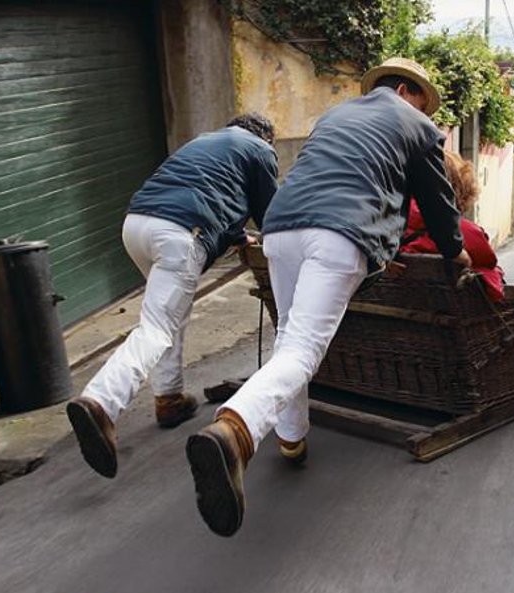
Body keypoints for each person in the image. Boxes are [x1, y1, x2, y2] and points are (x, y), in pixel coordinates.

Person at [185, 58, 471, 537]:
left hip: (279, 228)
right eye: (426, 100)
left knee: (290, 339)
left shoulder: (335, 116)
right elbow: (437, 200)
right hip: (338, 233)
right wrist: (455, 251)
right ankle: (233, 429)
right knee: (304, 349)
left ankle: (292, 440)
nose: (429, 111)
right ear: (406, 90)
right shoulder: (417, 124)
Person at [65, 114, 279, 479]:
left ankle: (169, 399)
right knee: (157, 326)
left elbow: (205, 192)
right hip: (179, 234)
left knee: (170, 313)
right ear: (266, 136)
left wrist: (236, 234)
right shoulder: (260, 149)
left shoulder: (205, 140)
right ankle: (101, 402)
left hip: (136, 225)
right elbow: (272, 216)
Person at [402, 151, 514, 323]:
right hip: (462, 314)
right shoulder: (462, 231)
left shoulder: (388, 224)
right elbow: (490, 263)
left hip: (407, 310)